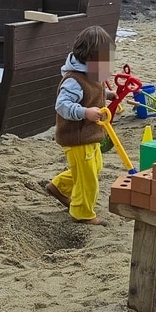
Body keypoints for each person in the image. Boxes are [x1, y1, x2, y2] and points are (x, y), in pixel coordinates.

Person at [45, 25, 112, 224]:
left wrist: (106, 95)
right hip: (77, 137)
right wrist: (85, 112)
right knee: (88, 178)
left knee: (94, 167)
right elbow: (62, 105)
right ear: (91, 57)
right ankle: (82, 213)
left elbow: (90, 95)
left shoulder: (92, 73)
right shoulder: (74, 80)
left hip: (90, 135)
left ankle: (58, 187)